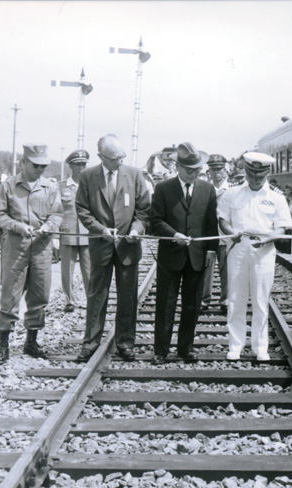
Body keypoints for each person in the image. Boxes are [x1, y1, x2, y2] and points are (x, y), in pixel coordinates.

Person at [74, 134, 150, 363]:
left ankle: (125, 343)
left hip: (128, 247)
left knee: (127, 297)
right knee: (97, 296)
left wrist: (137, 230)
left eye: (122, 157)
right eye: (115, 158)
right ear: (101, 157)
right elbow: (82, 209)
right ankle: (91, 342)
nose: (120, 161)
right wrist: (100, 229)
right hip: (101, 246)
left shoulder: (135, 174)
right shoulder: (88, 177)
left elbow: (144, 211)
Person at [0, 144, 63, 366]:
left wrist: (48, 227)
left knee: (40, 296)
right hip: (15, 247)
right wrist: (19, 227)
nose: (40, 170)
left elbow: (57, 214)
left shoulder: (50, 187)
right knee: (10, 297)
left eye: (43, 166)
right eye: (35, 165)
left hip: (41, 248)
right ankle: (3, 345)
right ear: (23, 163)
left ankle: (31, 341)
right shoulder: (9, 186)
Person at [218, 152, 292, 361]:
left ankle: (260, 347)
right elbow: (222, 219)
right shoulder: (232, 194)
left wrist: (269, 238)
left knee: (261, 300)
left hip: (264, 252)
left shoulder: (277, 197)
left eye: (260, 176)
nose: (255, 179)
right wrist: (231, 231)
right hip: (238, 248)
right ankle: (235, 345)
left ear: (267, 173)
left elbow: (282, 228)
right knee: (236, 299)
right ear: (246, 171)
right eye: (252, 174)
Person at [149, 143, 218, 365]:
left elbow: (210, 223)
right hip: (171, 255)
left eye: (197, 170)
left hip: (197, 257)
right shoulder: (163, 189)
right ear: (178, 167)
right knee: (165, 303)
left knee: (192, 305)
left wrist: (211, 250)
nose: (193, 174)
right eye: (189, 170)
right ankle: (161, 350)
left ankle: (185, 348)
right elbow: (155, 221)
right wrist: (174, 234)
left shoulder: (207, 190)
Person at [59, 149, 92, 313]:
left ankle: (91, 299)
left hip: (87, 234)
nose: (81, 168)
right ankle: (69, 300)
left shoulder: (91, 186)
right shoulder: (62, 187)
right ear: (70, 166)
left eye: (83, 164)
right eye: (78, 165)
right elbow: (57, 212)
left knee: (89, 270)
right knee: (67, 270)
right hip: (68, 233)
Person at [201, 154, 230, 313]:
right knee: (207, 269)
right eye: (213, 169)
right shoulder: (205, 189)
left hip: (225, 236)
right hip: (210, 236)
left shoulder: (232, 190)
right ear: (209, 171)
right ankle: (204, 300)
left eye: (219, 169)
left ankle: (225, 300)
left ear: (225, 170)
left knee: (226, 271)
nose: (217, 172)